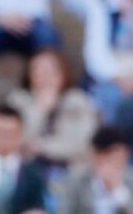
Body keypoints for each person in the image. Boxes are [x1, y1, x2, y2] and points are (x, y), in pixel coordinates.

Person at [6, 49, 99, 183]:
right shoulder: (17, 101)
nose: (45, 76)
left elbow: (83, 145)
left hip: (71, 172)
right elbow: (14, 142)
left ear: (63, 73)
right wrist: (39, 110)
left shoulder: (79, 101)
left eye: (50, 70)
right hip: (26, 173)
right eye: (38, 70)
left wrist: (42, 147)